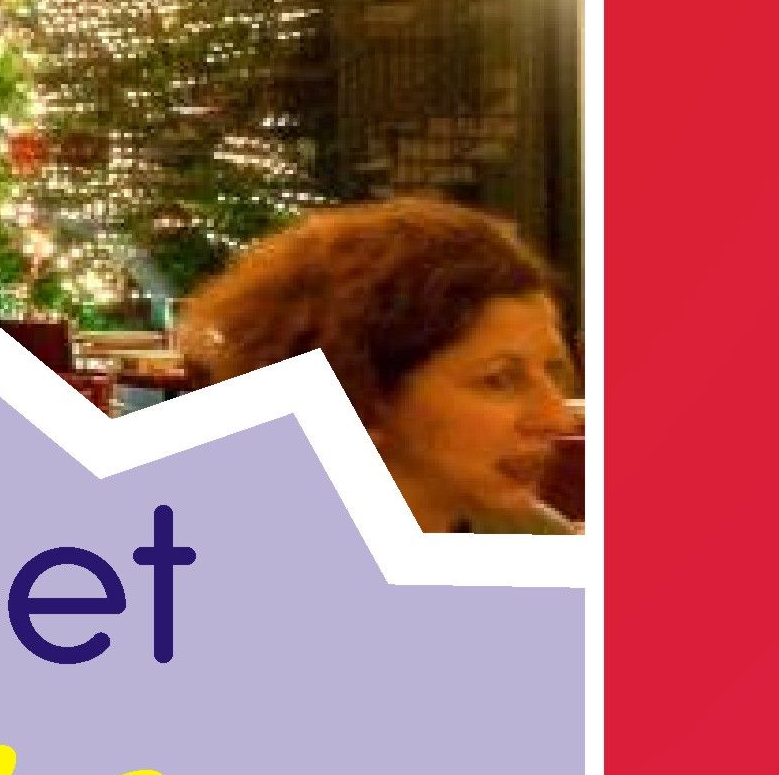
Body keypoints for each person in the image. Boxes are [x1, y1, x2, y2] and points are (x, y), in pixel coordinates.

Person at [175, 198, 584, 533]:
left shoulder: (529, 539)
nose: (557, 418)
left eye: (553, 370)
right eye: (499, 380)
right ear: (360, 395)